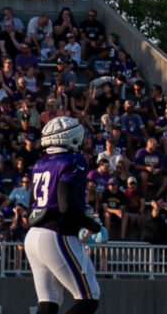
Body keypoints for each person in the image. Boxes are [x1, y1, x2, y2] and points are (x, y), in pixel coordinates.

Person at [25, 115, 104, 314]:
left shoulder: (41, 163)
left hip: (34, 235)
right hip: (56, 234)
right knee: (89, 297)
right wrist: (91, 224)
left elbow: (31, 204)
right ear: (72, 137)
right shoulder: (74, 160)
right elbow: (66, 205)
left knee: (49, 302)